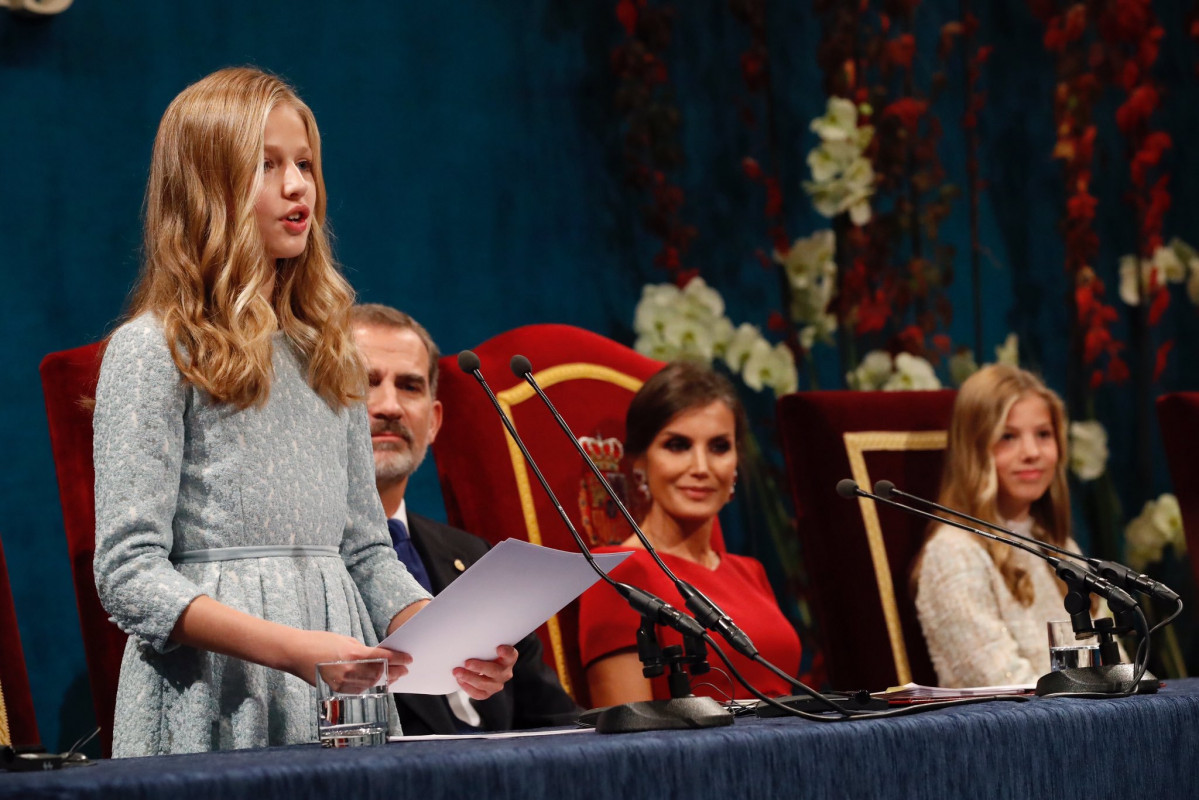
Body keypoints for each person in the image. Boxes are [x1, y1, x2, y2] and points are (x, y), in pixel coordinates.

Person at [92, 67, 514, 758]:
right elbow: (129, 574)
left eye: (305, 164)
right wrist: (289, 649)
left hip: (336, 678)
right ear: (205, 189)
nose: (297, 187)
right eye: (266, 166)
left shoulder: (330, 355)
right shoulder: (152, 349)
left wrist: (450, 636)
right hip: (218, 691)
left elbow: (365, 548)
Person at [350, 303, 580, 733]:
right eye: (366, 383)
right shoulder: (308, 564)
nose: (390, 406)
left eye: (410, 386)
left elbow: (553, 721)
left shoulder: (474, 556)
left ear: (434, 421)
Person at [576, 362, 801, 706]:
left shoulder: (749, 571)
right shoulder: (615, 572)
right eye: (678, 445)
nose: (701, 468)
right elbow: (629, 741)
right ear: (639, 462)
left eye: (719, 447)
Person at [913, 364, 1090, 687]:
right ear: (974, 450)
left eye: (1043, 434)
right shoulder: (954, 553)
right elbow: (999, 684)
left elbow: (1110, 667)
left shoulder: (1058, 545)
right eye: (1007, 437)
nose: (1032, 453)